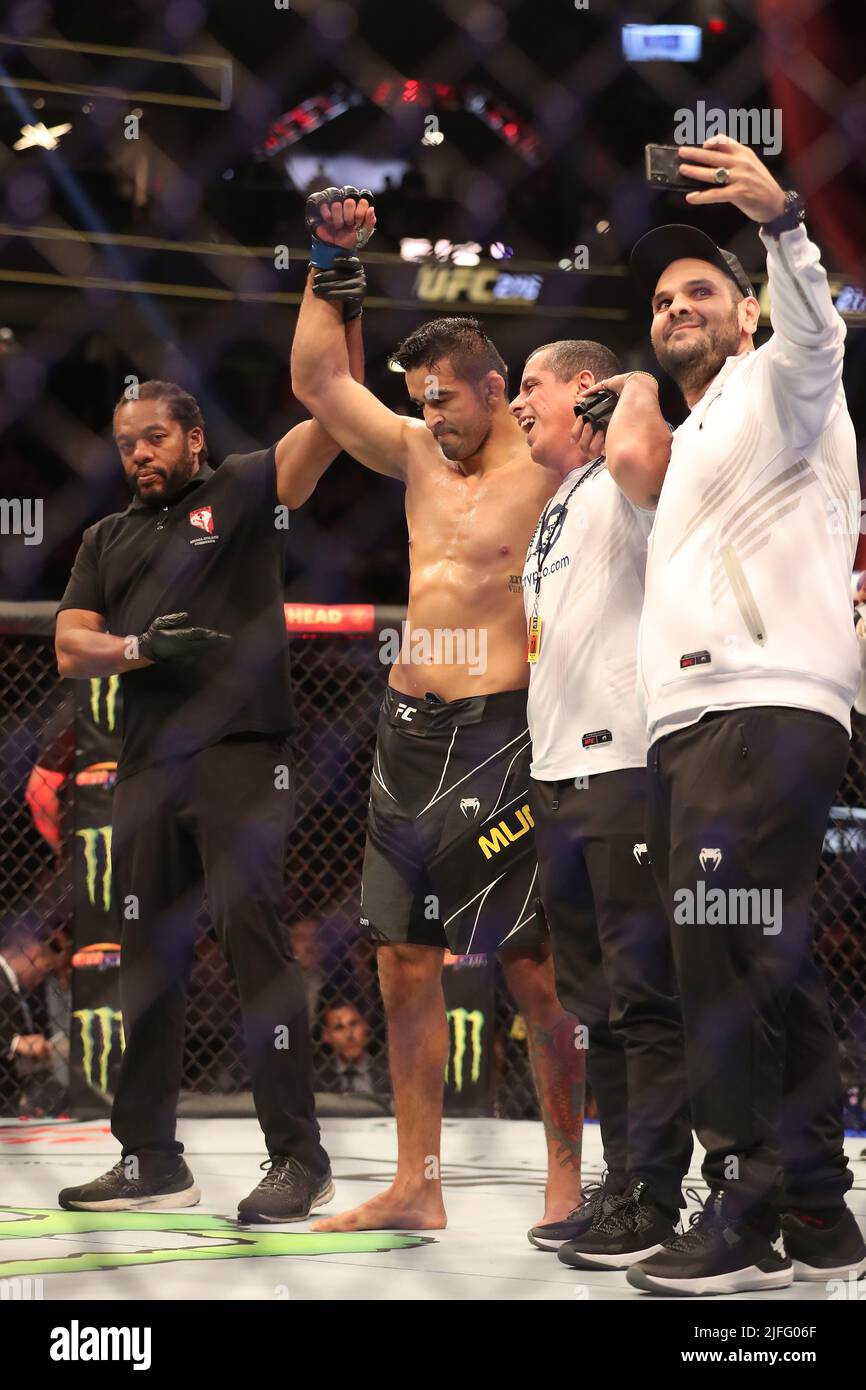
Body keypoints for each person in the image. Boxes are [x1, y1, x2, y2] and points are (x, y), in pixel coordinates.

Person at [292, 187, 586, 1233]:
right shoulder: (419, 458)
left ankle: (565, 1174)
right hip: (405, 736)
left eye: (445, 399)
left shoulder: (554, 473)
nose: (429, 416)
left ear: (496, 388)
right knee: (401, 956)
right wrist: (334, 263)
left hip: (501, 732)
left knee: (528, 965)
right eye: (419, 398)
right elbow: (320, 380)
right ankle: (417, 1185)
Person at [602, 134, 866, 1295]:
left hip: (761, 705)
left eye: (698, 292)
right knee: (757, 953)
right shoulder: (697, 430)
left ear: (744, 315)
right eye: (661, 300)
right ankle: (815, 1208)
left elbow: (819, 332)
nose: (675, 308)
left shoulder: (780, 381)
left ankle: (744, 1204)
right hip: (705, 724)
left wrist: (784, 226)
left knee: (717, 948)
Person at [53, 300, 366, 1222]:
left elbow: (336, 415)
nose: (139, 455)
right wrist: (139, 650)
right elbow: (72, 644)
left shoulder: (237, 490)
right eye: (125, 444)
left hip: (239, 758)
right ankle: (149, 1157)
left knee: (253, 949)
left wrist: (335, 288)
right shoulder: (107, 539)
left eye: (154, 438)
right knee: (145, 960)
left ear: (192, 438)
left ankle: (298, 1159)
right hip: (147, 765)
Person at [508, 340, 692, 1264]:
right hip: (557, 776)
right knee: (596, 1004)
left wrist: (630, 394)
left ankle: (658, 1196)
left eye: (529, 386)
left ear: (586, 388)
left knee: (644, 995)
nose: (515, 404)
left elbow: (646, 461)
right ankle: (622, 1187)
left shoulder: (629, 471)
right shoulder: (557, 502)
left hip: (622, 763)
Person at [317, 999, 390, 1098]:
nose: (349, 1035)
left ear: (365, 1026)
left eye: (354, 1024)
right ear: (326, 1035)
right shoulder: (316, 1080)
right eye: (339, 1027)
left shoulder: (389, 1071)